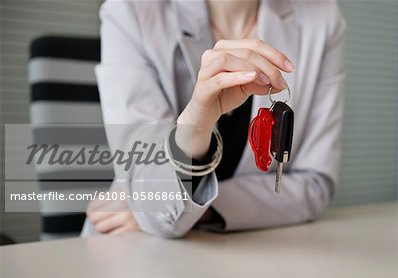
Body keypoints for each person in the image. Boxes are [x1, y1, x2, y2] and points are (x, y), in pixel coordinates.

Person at [82, 0, 346, 238]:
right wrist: (196, 122)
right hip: (134, 241)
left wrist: (200, 209)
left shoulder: (321, 18)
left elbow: (314, 185)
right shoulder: (130, 12)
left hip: (256, 250)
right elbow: (157, 209)